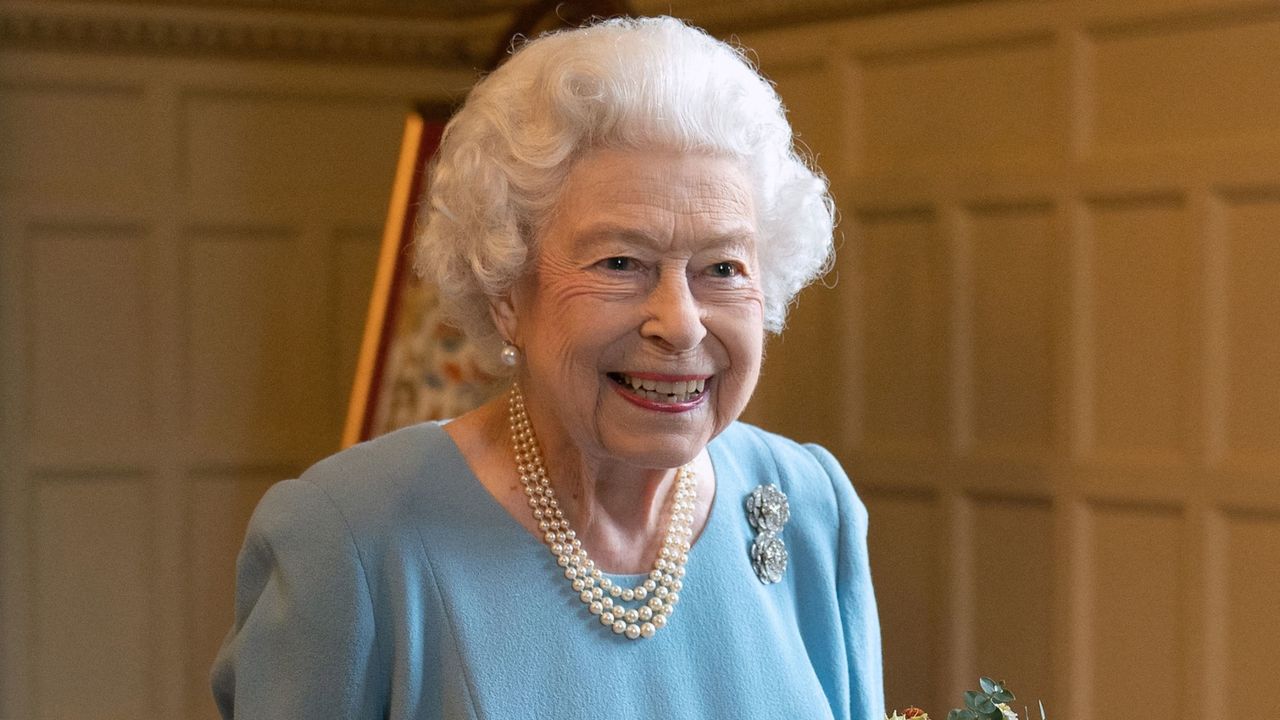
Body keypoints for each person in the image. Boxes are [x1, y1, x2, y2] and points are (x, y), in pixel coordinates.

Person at [212, 16, 883, 720]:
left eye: (722, 268)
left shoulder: (809, 505)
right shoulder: (353, 536)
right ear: (506, 291)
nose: (681, 322)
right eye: (621, 263)